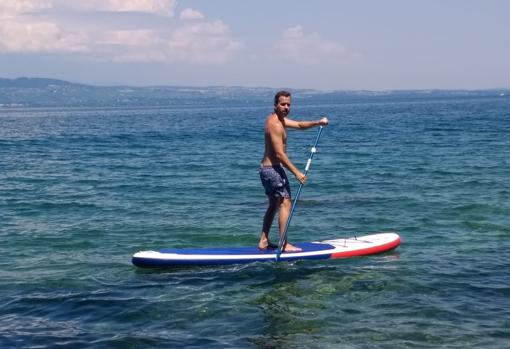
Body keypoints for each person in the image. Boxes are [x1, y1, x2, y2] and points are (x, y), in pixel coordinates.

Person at [258, 90, 328, 252]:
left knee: (273, 204)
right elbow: (279, 154)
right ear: (275, 105)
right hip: (273, 170)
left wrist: (317, 123)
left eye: (288, 104)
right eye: (282, 104)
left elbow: (298, 125)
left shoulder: (279, 120)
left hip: (266, 170)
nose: (286, 107)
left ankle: (263, 240)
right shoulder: (275, 124)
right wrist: (297, 173)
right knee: (285, 203)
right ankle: (284, 244)